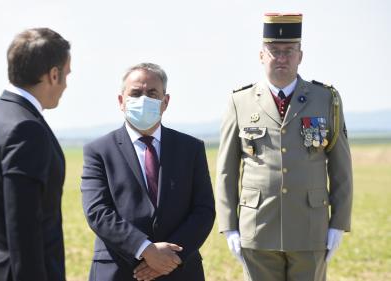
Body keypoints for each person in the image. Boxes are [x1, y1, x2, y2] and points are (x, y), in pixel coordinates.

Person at [215, 13, 353, 281]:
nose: (281, 57)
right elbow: (226, 170)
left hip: (310, 228)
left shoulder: (325, 99)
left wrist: (338, 223)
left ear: (300, 55)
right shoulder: (239, 101)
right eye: (274, 50)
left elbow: (341, 168)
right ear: (261, 55)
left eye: (289, 51)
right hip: (257, 228)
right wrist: (229, 226)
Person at [80, 62, 215, 281]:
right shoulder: (99, 151)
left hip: (180, 271)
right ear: (121, 101)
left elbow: (203, 210)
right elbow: (98, 211)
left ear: (166, 101)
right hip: (118, 270)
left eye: (152, 93)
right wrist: (145, 250)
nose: (144, 99)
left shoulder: (191, 149)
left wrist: (167, 260)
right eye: (135, 93)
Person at [0, 28, 71, 281]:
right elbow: (24, 229)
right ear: (53, 75)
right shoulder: (26, 129)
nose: (66, 84)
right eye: (66, 75)